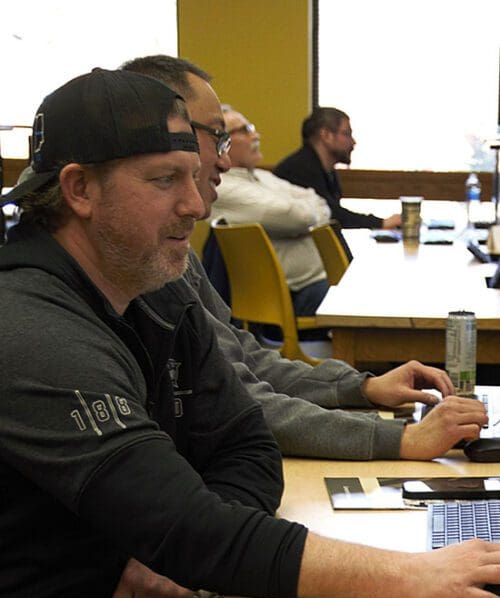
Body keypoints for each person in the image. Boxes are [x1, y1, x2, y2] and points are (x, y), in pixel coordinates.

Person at [1, 67, 499, 598]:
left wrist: (181, 552)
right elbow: (190, 527)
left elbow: (249, 446)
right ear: (79, 190)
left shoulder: (152, 291)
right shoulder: (29, 326)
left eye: (194, 175)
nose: (195, 204)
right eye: (166, 179)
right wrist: (414, 573)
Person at [122, 55, 486, 465]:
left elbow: (246, 359)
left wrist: (362, 389)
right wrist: (398, 438)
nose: (223, 160)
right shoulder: (131, 263)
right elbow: (236, 396)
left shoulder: (172, 251)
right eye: (217, 137)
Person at [207, 104, 331, 317]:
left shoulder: (258, 176)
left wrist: (306, 222)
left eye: (252, 127)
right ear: (222, 142)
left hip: (315, 283)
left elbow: (318, 201)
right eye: (245, 130)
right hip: (295, 298)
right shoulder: (224, 187)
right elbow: (300, 216)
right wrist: (307, 223)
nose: (256, 135)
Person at [274, 107, 401, 230]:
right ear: (326, 135)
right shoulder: (299, 169)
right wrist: (381, 223)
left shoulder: (326, 170)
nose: (353, 142)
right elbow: (331, 215)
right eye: (347, 134)